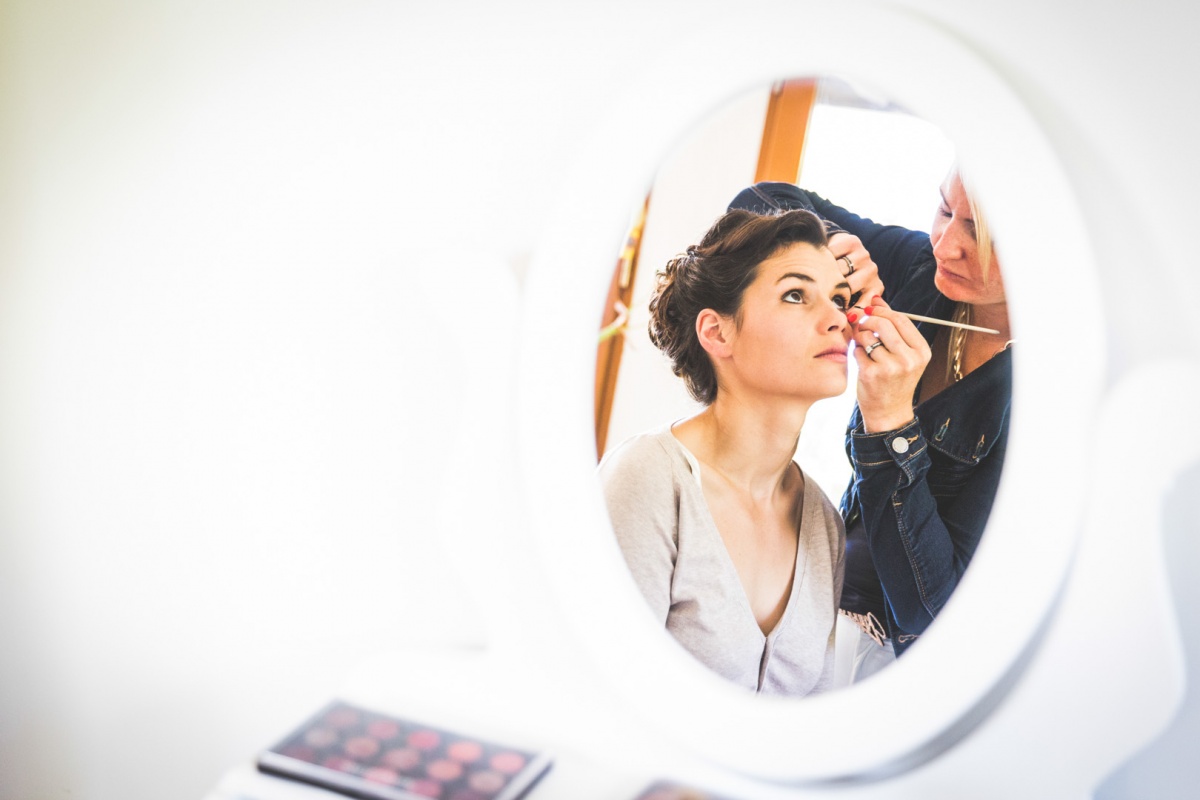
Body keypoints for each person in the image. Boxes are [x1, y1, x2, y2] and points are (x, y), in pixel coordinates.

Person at [729, 167, 1013, 680]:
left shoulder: (1050, 397)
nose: (946, 246)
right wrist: (829, 240)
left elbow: (929, 614)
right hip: (828, 604)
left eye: (980, 234)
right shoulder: (921, 270)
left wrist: (890, 423)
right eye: (945, 211)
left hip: (907, 668)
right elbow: (755, 197)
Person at [597, 207, 849, 696]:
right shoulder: (646, 481)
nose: (837, 319)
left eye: (839, 298)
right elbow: (607, 695)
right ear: (716, 333)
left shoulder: (822, 524)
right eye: (797, 295)